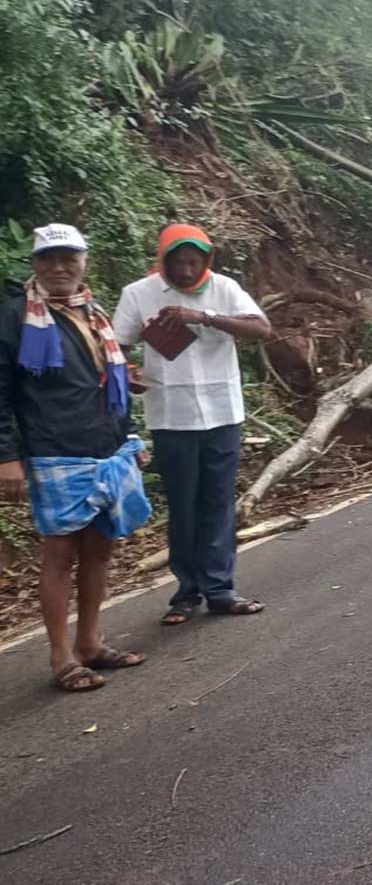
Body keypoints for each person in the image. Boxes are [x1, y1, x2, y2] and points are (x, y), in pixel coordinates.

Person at [0, 224, 152, 692]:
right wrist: (6, 456)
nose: (59, 267)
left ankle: (90, 643)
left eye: (69, 258)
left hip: (106, 448)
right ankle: (61, 658)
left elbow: (109, 384)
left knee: (101, 550)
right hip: (54, 452)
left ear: (85, 262)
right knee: (60, 555)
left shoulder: (92, 312)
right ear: (35, 264)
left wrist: (129, 435)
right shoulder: (16, 316)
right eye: (49, 259)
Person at [113, 224, 274, 625]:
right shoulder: (139, 293)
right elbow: (116, 345)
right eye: (177, 261)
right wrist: (128, 372)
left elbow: (261, 329)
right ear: (162, 259)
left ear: (206, 260)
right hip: (171, 416)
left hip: (223, 412)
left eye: (193, 261)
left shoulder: (224, 288)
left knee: (218, 502)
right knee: (183, 504)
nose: (185, 270)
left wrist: (204, 317)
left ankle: (220, 589)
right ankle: (185, 593)